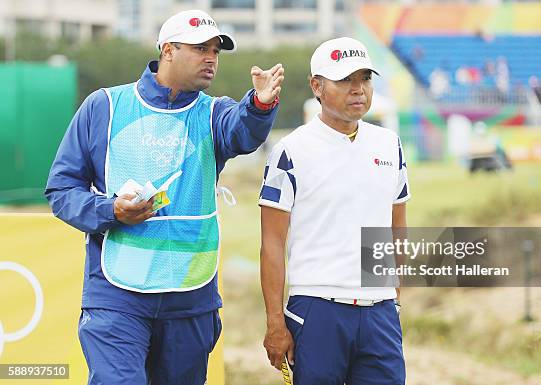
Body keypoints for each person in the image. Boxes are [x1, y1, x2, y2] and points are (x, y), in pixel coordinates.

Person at [45, 9, 283, 385]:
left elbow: (243, 132)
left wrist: (260, 105)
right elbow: (61, 189)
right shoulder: (104, 106)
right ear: (168, 50)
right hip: (116, 293)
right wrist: (110, 211)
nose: (211, 58)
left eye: (216, 51)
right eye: (200, 48)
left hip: (190, 296)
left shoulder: (214, 112)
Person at [259, 37, 409, 385]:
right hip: (316, 307)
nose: (358, 90)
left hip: (380, 312)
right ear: (317, 86)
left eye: (365, 79)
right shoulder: (291, 151)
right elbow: (272, 244)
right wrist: (274, 323)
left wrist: (394, 297)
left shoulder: (389, 144)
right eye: (345, 80)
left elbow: (397, 226)